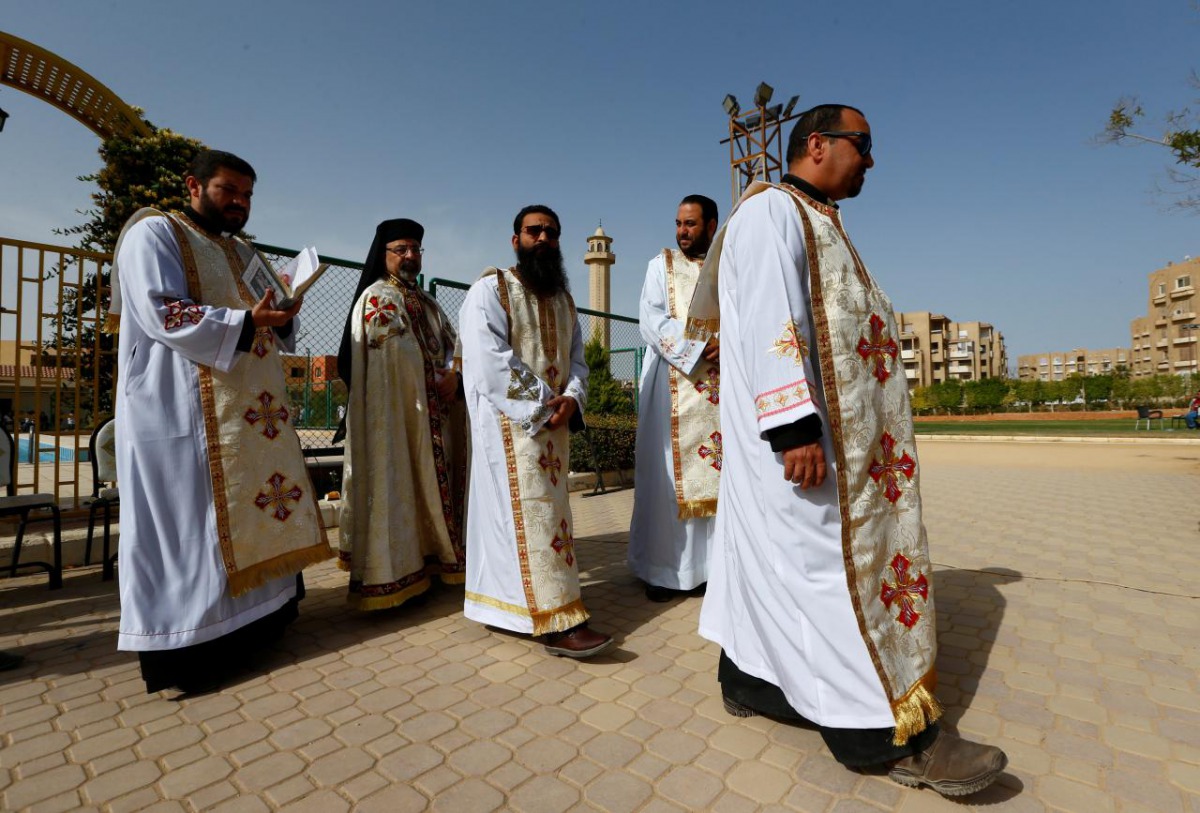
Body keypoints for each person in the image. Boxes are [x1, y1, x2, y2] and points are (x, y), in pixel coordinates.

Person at [689, 105, 1007, 796]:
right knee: (831, 574)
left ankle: (753, 681)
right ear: (817, 144)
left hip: (829, 444)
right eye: (863, 145)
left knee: (776, 568)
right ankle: (886, 738)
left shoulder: (817, 217)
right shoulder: (773, 212)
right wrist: (793, 428)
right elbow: (774, 319)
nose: (870, 160)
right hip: (802, 446)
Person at [109, 149, 332, 694]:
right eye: (229, 191)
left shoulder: (242, 252)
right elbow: (162, 309)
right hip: (180, 409)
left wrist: (282, 310)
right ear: (194, 185)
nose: (240, 204)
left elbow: (269, 326)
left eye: (248, 195)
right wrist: (243, 319)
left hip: (249, 417)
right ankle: (188, 647)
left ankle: (260, 623)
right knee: (191, 530)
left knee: (249, 513)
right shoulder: (154, 233)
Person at [458, 205, 613, 658]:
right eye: (533, 231)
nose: (543, 237)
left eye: (551, 231)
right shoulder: (491, 290)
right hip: (510, 429)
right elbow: (489, 359)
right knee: (523, 518)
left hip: (554, 427)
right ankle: (555, 618)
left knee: (542, 518)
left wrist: (574, 398)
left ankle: (506, 606)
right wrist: (545, 402)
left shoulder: (564, 300)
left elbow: (578, 361)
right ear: (515, 240)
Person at [335, 219, 467, 609]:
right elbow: (394, 362)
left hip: (436, 414)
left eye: (416, 250)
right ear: (384, 254)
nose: (410, 256)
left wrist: (456, 374)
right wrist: (435, 376)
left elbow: (453, 344)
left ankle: (436, 560)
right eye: (402, 250)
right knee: (401, 487)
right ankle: (394, 573)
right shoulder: (377, 299)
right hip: (398, 420)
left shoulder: (428, 302)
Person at [627, 195, 722, 602]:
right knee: (665, 481)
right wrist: (698, 347)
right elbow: (651, 319)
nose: (682, 232)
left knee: (722, 478)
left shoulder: (727, 265)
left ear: (712, 225)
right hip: (672, 385)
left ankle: (713, 571)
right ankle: (664, 571)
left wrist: (728, 341)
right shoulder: (659, 266)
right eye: (679, 224)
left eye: (691, 224)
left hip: (721, 390)